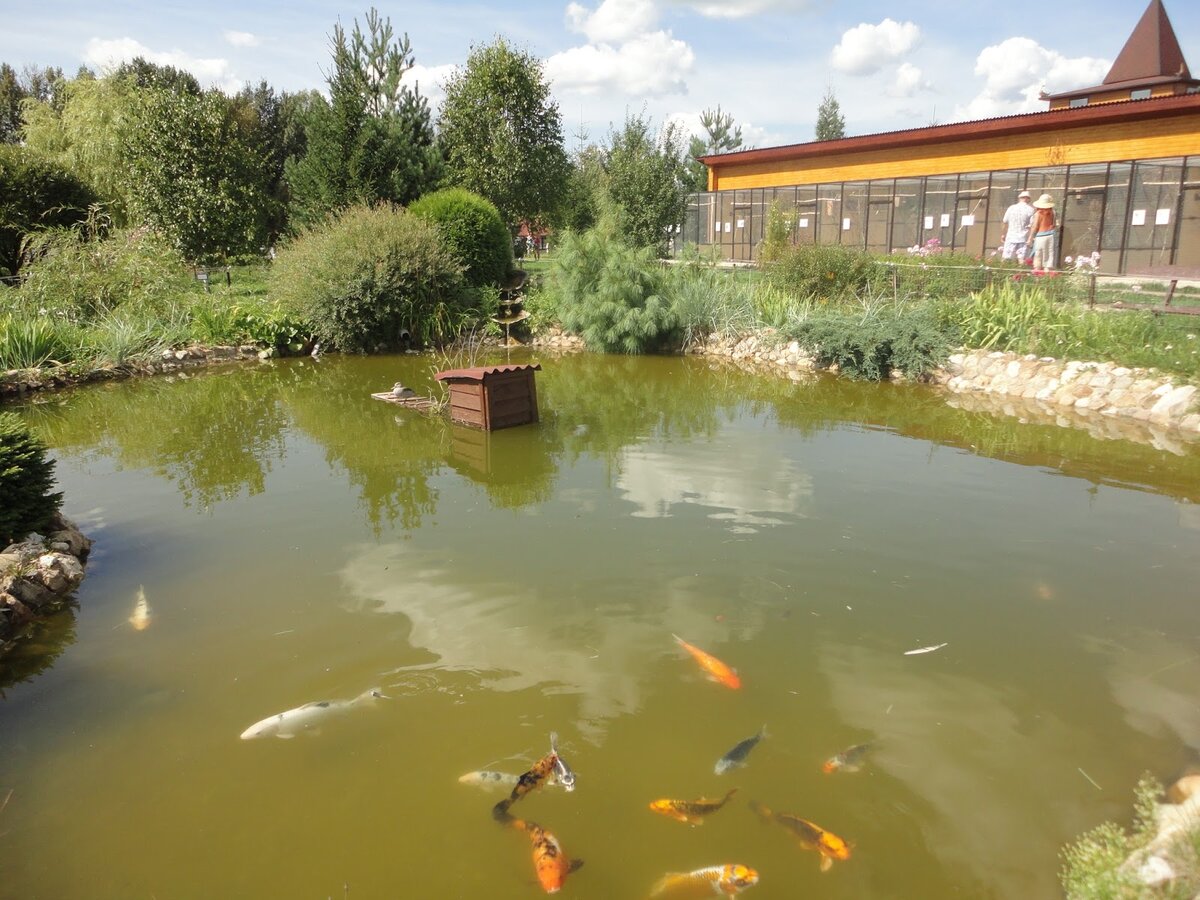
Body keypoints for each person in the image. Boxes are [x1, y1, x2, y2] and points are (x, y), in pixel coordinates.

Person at [1000, 190, 1034, 263]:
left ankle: (1001, 273)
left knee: (1006, 257)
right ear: (1028, 199)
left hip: (1011, 236)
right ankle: (1020, 273)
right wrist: (1030, 238)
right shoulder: (1031, 210)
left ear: (1020, 198)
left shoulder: (1011, 208)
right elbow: (1032, 226)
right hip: (1023, 237)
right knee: (1021, 258)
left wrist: (1003, 234)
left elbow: (1005, 222)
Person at [1028, 193, 1057, 271]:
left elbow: (1034, 226)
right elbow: (1054, 225)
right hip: (1051, 236)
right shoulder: (1053, 212)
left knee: (1038, 258)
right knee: (1048, 260)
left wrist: (1030, 238)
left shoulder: (1038, 213)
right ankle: (1047, 277)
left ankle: (1037, 278)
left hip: (1041, 236)